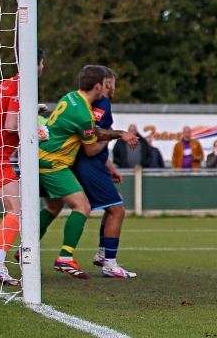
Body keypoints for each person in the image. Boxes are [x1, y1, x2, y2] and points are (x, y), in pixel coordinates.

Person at [39, 65, 138, 279]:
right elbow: (91, 147)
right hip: (54, 162)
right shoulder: (87, 110)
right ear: (99, 85)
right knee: (90, 207)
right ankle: (77, 259)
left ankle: (23, 250)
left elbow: (93, 131)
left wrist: (109, 163)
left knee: (53, 207)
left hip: (41, 157)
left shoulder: (70, 97)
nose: (108, 87)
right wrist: (118, 135)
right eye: (106, 83)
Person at [0, 48, 45, 286]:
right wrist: (36, 132)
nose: (42, 68)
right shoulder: (20, 87)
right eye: (42, 64)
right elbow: (11, 124)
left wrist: (34, 110)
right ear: (36, 64)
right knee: (16, 206)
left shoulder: (7, 83)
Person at [71, 67, 138, 278]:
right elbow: (94, 138)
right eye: (113, 82)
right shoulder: (102, 103)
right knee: (117, 210)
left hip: (94, 164)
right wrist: (117, 135)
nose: (114, 87)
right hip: (88, 164)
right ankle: (110, 264)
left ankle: (102, 253)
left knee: (114, 202)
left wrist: (109, 167)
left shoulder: (92, 102)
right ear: (107, 83)